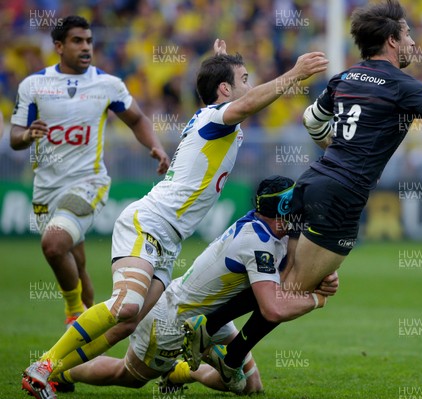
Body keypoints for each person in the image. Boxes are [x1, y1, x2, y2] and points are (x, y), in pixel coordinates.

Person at [181, 0, 422, 389]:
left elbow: (312, 118)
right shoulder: (402, 86)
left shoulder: (346, 77)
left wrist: (334, 147)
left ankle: (213, 335)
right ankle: (225, 349)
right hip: (342, 195)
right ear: (392, 41)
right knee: (297, 291)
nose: (414, 42)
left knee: (282, 278)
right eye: (409, 34)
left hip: (311, 182)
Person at [21, 38, 328, 399]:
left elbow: (233, 98)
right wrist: (293, 74)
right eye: (244, 78)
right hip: (148, 222)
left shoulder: (215, 119)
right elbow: (244, 102)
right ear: (226, 89)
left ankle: (57, 373)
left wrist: (221, 61)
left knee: (127, 329)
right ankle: (41, 365)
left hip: (167, 240)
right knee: (127, 305)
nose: (250, 84)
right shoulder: (218, 117)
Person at [47, 175, 337, 396]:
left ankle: (178, 373)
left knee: (251, 386)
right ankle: (65, 374)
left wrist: (321, 275)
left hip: (208, 319)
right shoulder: (257, 243)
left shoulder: (273, 233)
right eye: (296, 206)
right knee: (129, 376)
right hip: (173, 321)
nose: (302, 211)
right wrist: (317, 299)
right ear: (283, 208)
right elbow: (272, 308)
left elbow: (292, 270)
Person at [9, 16, 170, 329]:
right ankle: (88, 329)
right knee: (77, 262)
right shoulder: (34, 85)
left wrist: (156, 147)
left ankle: (73, 314)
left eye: (88, 41)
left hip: (88, 182)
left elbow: (137, 120)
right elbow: (15, 135)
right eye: (77, 41)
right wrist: (28, 135)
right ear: (58, 46)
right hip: (46, 189)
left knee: (54, 244)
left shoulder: (107, 85)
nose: (86, 47)